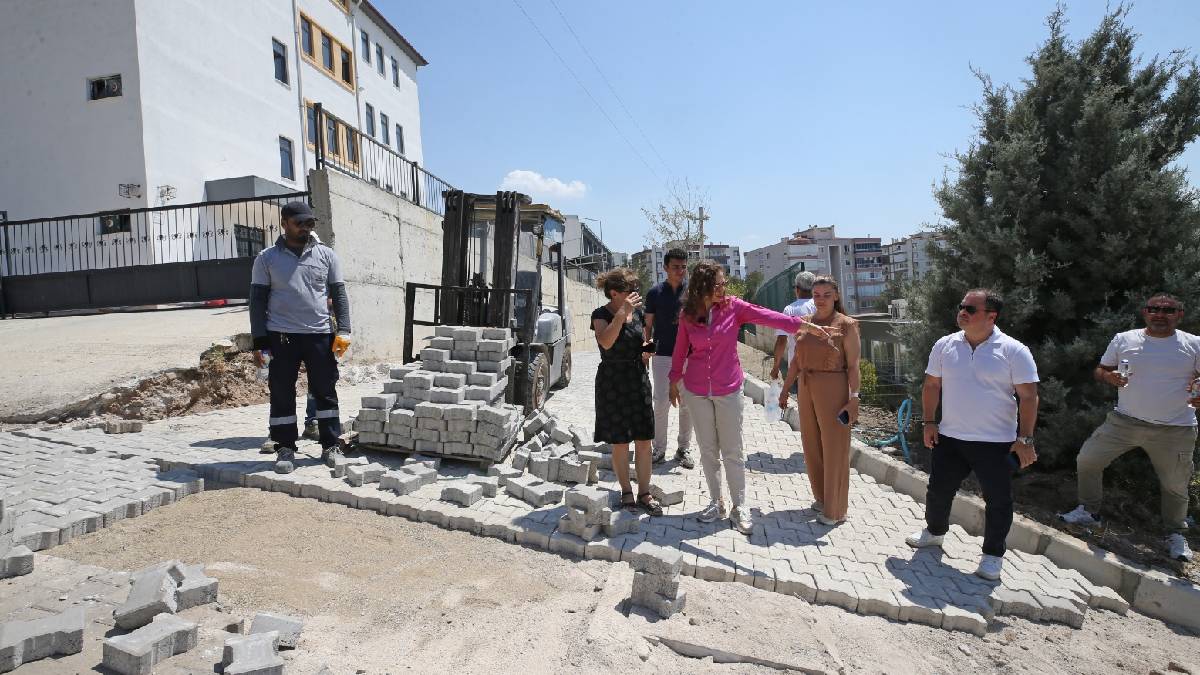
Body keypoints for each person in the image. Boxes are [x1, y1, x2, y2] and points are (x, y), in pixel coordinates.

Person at [668, 261, 839, 534]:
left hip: (728, 388)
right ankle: (716, 502)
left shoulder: (734, 306)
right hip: (697, 389)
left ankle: (740, 506)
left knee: (732, 450)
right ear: (702, 287)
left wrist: (806, 327)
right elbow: (679, 350)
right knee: (708, 450)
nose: (723, 288)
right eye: (717, 285)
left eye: (724, 283)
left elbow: (769, 316)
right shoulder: (689, 315)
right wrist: (673, 381)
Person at [906, 289, 1039, 581]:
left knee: (998, 501)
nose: (962, 312)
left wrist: (1025, 440)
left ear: (991, 316)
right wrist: (929, 422)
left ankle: (992, 556)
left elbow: (1028, 397)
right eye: (961, 306)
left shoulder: (1013, 350)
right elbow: (931, 386)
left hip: (996, 443)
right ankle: (935, 532)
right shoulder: (945, 345)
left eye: (971, 308)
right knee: (938, 491)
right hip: (951, 438)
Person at [1060, 293, 1199, 562]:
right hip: (1125, 421)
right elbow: (1101, 369)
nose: (1160, 314)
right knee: (1088, 459)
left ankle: (1175, 534)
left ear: (1179, 314)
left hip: (1175, 429)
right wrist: (1108, 377)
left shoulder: (1194, 344)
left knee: (1175, 485)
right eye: (1154, 309)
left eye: (1168, 310)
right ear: (1144, 312)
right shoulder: (1125, 339)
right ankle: (1089, 512)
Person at [250, 201, 352, 474]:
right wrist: (259, 341)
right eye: (300, 224)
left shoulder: (327, 256)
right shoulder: (266, 258)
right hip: (281, 337)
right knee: (282, 393)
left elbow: (339, 294)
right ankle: (285, 447)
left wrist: (344, 330)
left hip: (319, 335)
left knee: (325, 391)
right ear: (284, 223)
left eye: (310, 224)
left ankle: (331, 444)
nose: (306, 229)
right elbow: (257, 301)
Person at [778, 276, 860, 526]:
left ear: (836, 295)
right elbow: (795, 359)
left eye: (826, 294)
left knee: (835, 447)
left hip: (833, 386)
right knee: (811, 444)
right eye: (816, 295)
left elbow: (855, 365)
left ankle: (836, 510)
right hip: (805, 385)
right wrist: (785, 389)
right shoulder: (804, 322)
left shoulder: (847, 325)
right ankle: (822, 498)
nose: (821, 299)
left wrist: (854, 398)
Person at [591, 268, 662, 516]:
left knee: (644, 440)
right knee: (620, 442)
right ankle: (626, 491)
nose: (635, 295)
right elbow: (606, 342)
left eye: (636, 290)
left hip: (637, 380)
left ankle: (644, 492)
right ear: (614, 293)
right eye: (630, 291)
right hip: (613, 383)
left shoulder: (639, 313)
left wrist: (648, 348)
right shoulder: (600, 314)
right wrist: (622, 314)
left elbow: (642, 340)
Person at [644, 248, 695, 469]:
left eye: (684, 267)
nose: (680, 271)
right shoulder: (654, 293)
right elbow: (648, 326)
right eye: (675, 267)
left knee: (688, 404)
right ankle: (658, 450)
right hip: (663, 356)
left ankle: (683, 449)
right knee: (661, 403)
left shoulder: (692, 293)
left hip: (689, 357)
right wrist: (646, 351)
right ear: (665, 267)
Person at [770, 271, 817, 382]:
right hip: (822, 364)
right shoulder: (822, 306)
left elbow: (782, 340)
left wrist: (776, 367)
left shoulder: (790, 310)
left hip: (799, 365)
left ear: (797, 289)